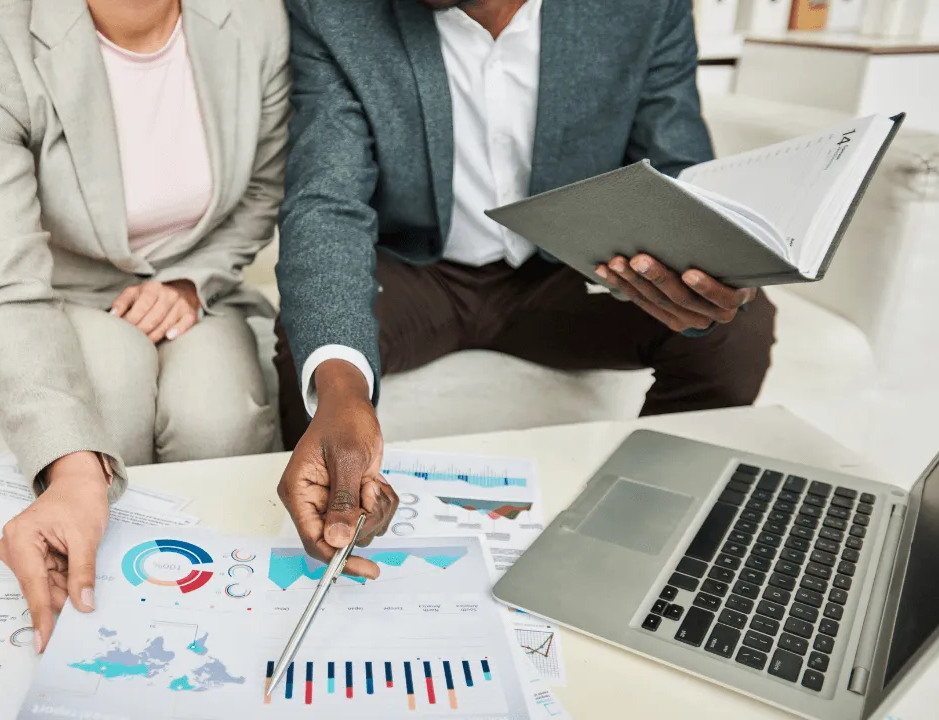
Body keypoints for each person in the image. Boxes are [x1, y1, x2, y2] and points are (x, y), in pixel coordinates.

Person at [274, 0, 777, 577]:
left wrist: (714, 263)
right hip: (422, 273)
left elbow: (679, 173)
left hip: (569, 271)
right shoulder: (335, 13)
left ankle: (642, 531)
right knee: (315, 344)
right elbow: (326, 203)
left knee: (732, 329)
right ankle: (331, 549)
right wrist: (342, 393)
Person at [0, 0, 289, 651]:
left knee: (223, 419)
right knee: (108, 405)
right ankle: (101, 642)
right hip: (52, 290)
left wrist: (192, 280)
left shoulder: (258, 15)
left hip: (193, 278)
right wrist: (69, 470)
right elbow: (3, 272)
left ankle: (222, 638)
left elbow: (263, 189)